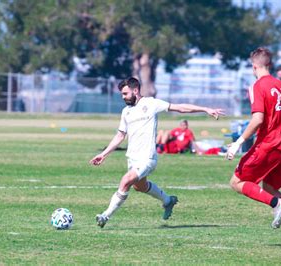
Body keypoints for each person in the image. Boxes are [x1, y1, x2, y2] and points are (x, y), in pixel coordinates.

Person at [89, 77, 224, 228]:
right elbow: (120, 135)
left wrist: (205, 109)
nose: (123, 97)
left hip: (147, 158)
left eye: (125, 93)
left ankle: (105, 216)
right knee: (139, 186)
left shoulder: (151, 103)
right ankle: (168, 201)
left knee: (126, 181)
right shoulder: (126, 112)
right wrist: (104, 154)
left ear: (135, 90)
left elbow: (180, 108)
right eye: (122, 94)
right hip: (132, 158)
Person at [226, 47, 281, 247]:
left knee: (236, 182)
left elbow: (258, 119)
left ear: (254, 66)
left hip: (269, 144)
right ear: (270, 65)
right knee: (270, 187)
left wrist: (238, 142)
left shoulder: (258, 85)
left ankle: (276, 204)